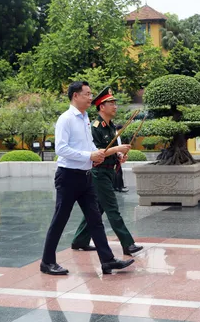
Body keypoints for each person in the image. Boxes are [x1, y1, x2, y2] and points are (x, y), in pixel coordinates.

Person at [40, 81, 134, 276]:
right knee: (60, 219)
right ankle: (47, 262)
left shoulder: (85, 118)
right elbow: (61, 149)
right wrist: (88, 156)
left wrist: (97, 155)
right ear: (75, 95)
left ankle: (107, 261)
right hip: (68, 177)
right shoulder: (65, 119)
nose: (91, 97)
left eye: (91, 94)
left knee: (95, 220)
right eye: (87, 94)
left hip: (86, 176)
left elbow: (89, 144)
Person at [71, 86, 143, 256]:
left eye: (115, 103)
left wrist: (119, 154)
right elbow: (96, 151)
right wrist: (116, 148)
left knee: (97, 208)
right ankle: (128, 243)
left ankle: (79, 240)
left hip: (110, 171)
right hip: (98, 173)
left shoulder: (111, 127)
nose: (115, 106)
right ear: (101, 107)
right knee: (112, 208)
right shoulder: (94, 127)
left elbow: (110, 151)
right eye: (111, 103)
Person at [113, 124, 129, 193]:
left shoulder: (117, 134)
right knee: (118, 171)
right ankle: (119, 187)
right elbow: (117, 146)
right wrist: (119, 154)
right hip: (116, 154)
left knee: (118, 171)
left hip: (117, 153)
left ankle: (118, 186)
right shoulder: (115, 134)